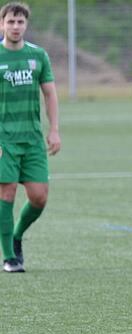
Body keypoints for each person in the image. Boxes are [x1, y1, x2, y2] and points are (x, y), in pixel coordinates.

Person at [0, 2, 61, 273]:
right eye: (10, 22)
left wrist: (54, 129)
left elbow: (49, 93)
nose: (15, 27)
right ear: (2, 24)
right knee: (7, 191)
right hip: (4, 140)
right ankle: (9, 256)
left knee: (39, 197)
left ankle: (16, 234)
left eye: (20, 22)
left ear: (26, 25)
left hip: (33, 139)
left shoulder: (38, 56)